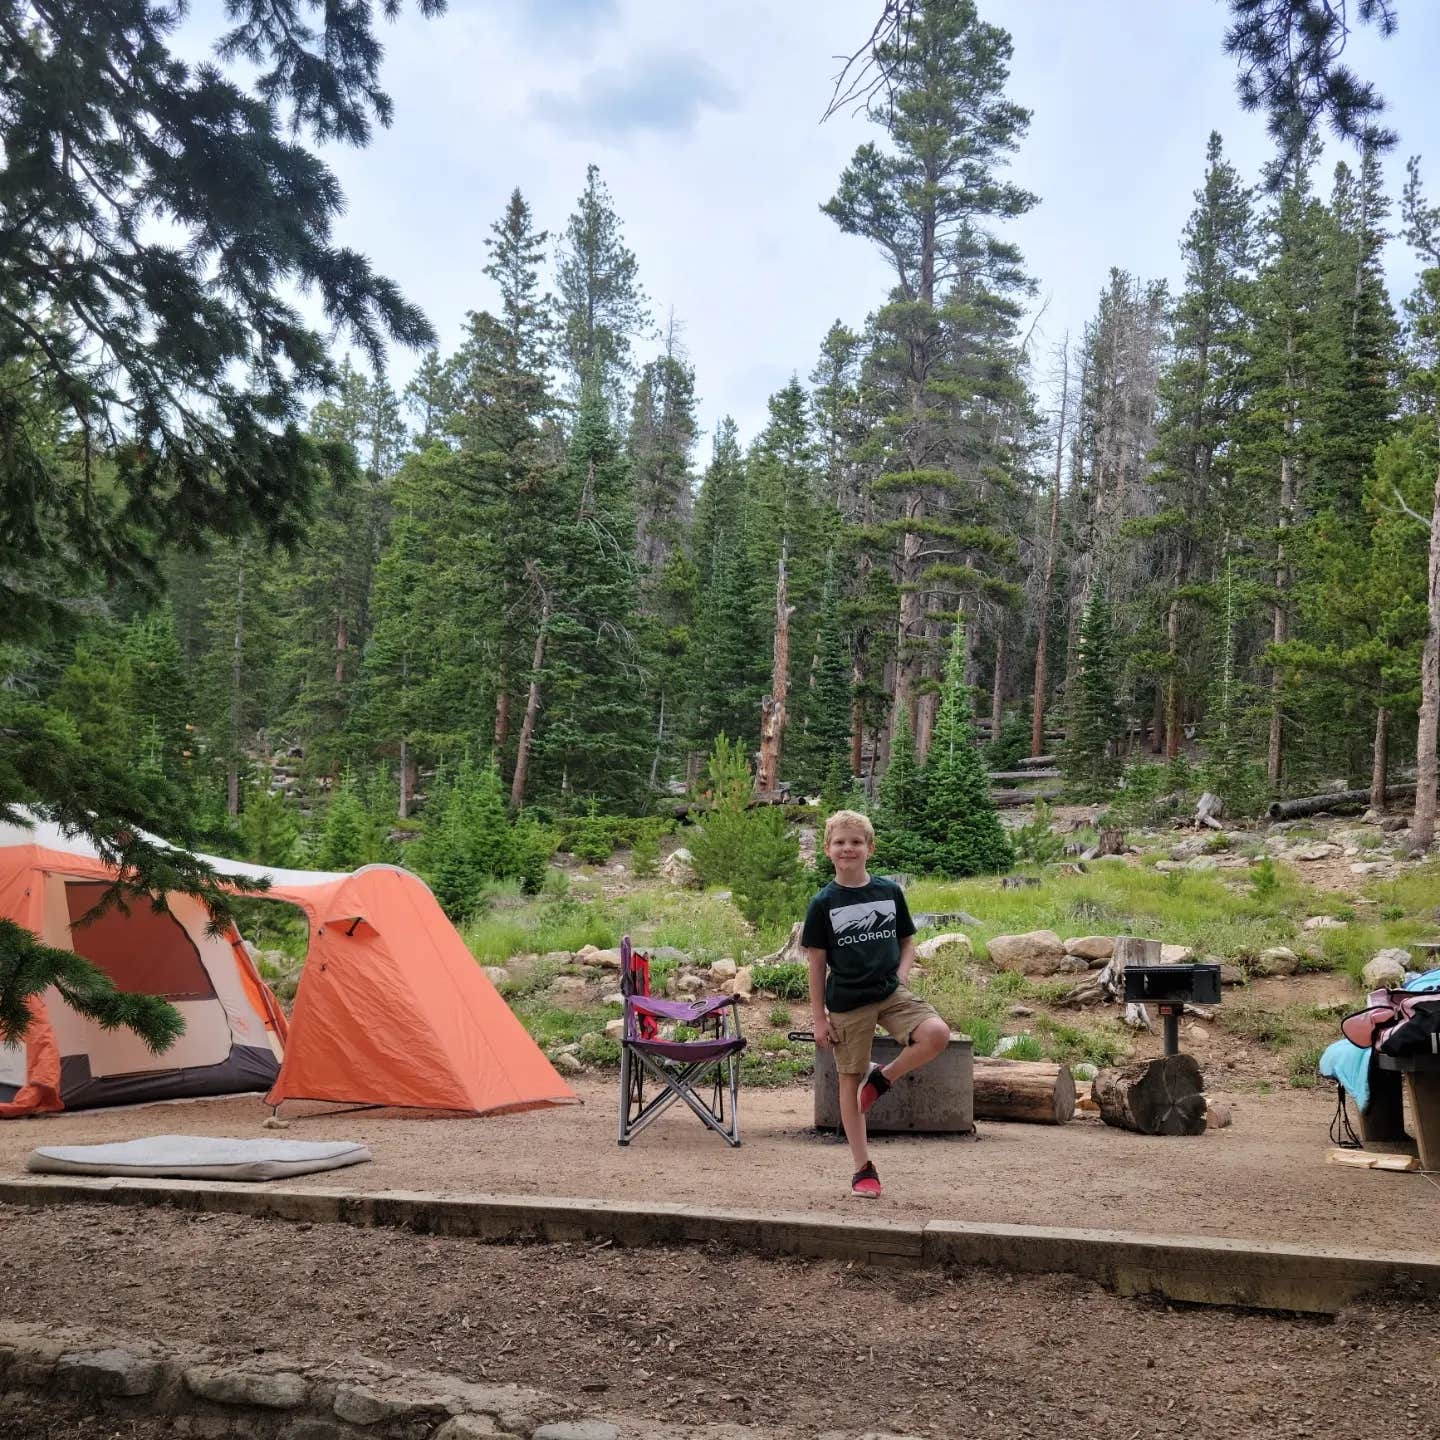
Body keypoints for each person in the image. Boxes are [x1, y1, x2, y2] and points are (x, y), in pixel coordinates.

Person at [802, 809, 951, 1198]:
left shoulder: (889, 892)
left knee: (936, 1034)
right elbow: (816, 965)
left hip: (891, 991)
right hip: (848, 1002)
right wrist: (819, 1018)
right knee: (849, 1084)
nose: (847, 848)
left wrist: (902, 973)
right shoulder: (823, 903)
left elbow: (907, 942)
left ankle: (883, 1076)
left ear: (870, 847)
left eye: (855, 842)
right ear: (827, 849)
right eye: (840, 842)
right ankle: (862, 1167)